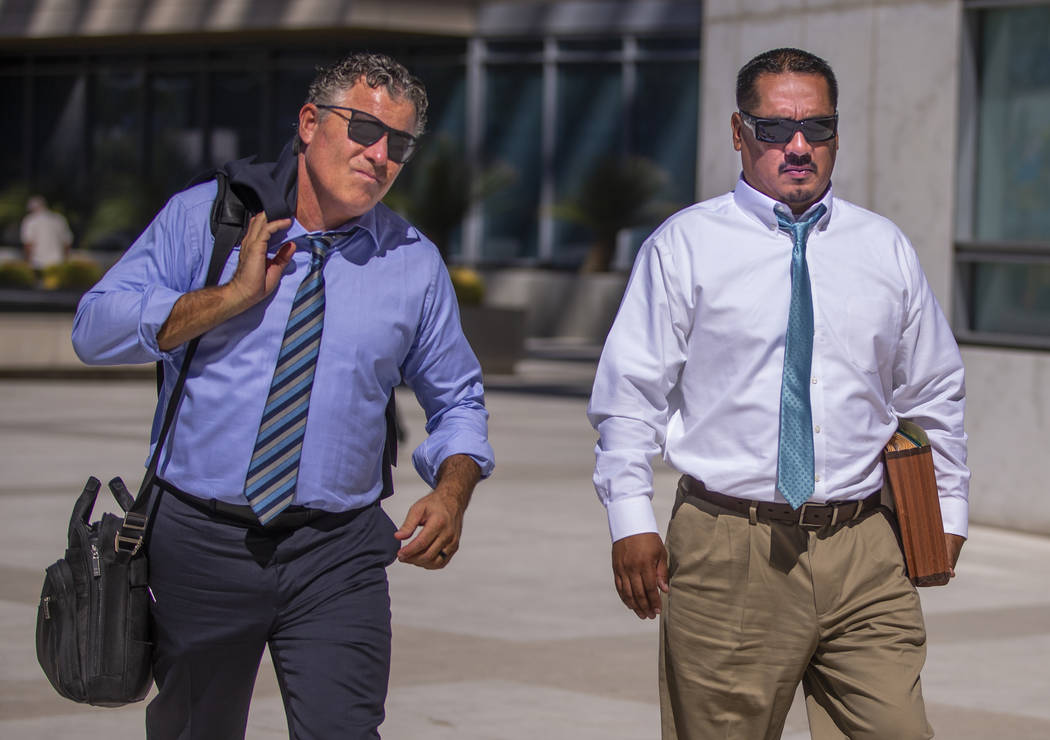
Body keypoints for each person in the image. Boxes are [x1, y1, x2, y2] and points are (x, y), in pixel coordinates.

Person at [72, 52, 494, 739]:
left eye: (399, 143)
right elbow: (94, 330)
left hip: (340, 551)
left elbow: (459, 400)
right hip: (200, 542)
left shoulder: (412, 262)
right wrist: (228, 298)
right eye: (362, 129)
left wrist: (451, 492)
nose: (379, 154)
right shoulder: (207, 219)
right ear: (309, 123)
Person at [588, 47, 968, 740]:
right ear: (739, 133)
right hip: (731, 545)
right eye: (775, 129)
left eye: (816, 129)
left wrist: (952, 507)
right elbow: (630, 396)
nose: (798, 147)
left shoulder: (883, 249)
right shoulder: (686, 247)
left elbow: (935, 390)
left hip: (865, 548)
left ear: (835, 135)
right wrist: (630, 518)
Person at [21, 195, 72, 271]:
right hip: (57, 262)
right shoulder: (59, 219)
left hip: (38, 263)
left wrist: (27, 262)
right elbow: (67, 242)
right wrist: (66, 261)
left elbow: (28, 244)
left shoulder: (30, 220)